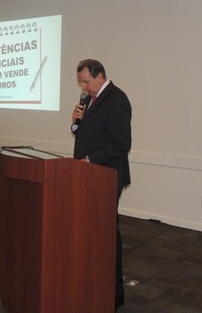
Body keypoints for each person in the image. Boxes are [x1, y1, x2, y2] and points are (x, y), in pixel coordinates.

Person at [71, 59, 132, 311]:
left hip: (105, 176)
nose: (83, 87)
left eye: (86, 82)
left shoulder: (116, 99)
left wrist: (90, 160)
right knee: (90, 232)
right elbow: (86, 134)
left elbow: (122, 143)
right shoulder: (90, 99)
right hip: (89, 176)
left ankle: (114, 293)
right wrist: (76, 122)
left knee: (107, 234)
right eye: (80, 83)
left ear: (100, 76)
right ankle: (92, 283)